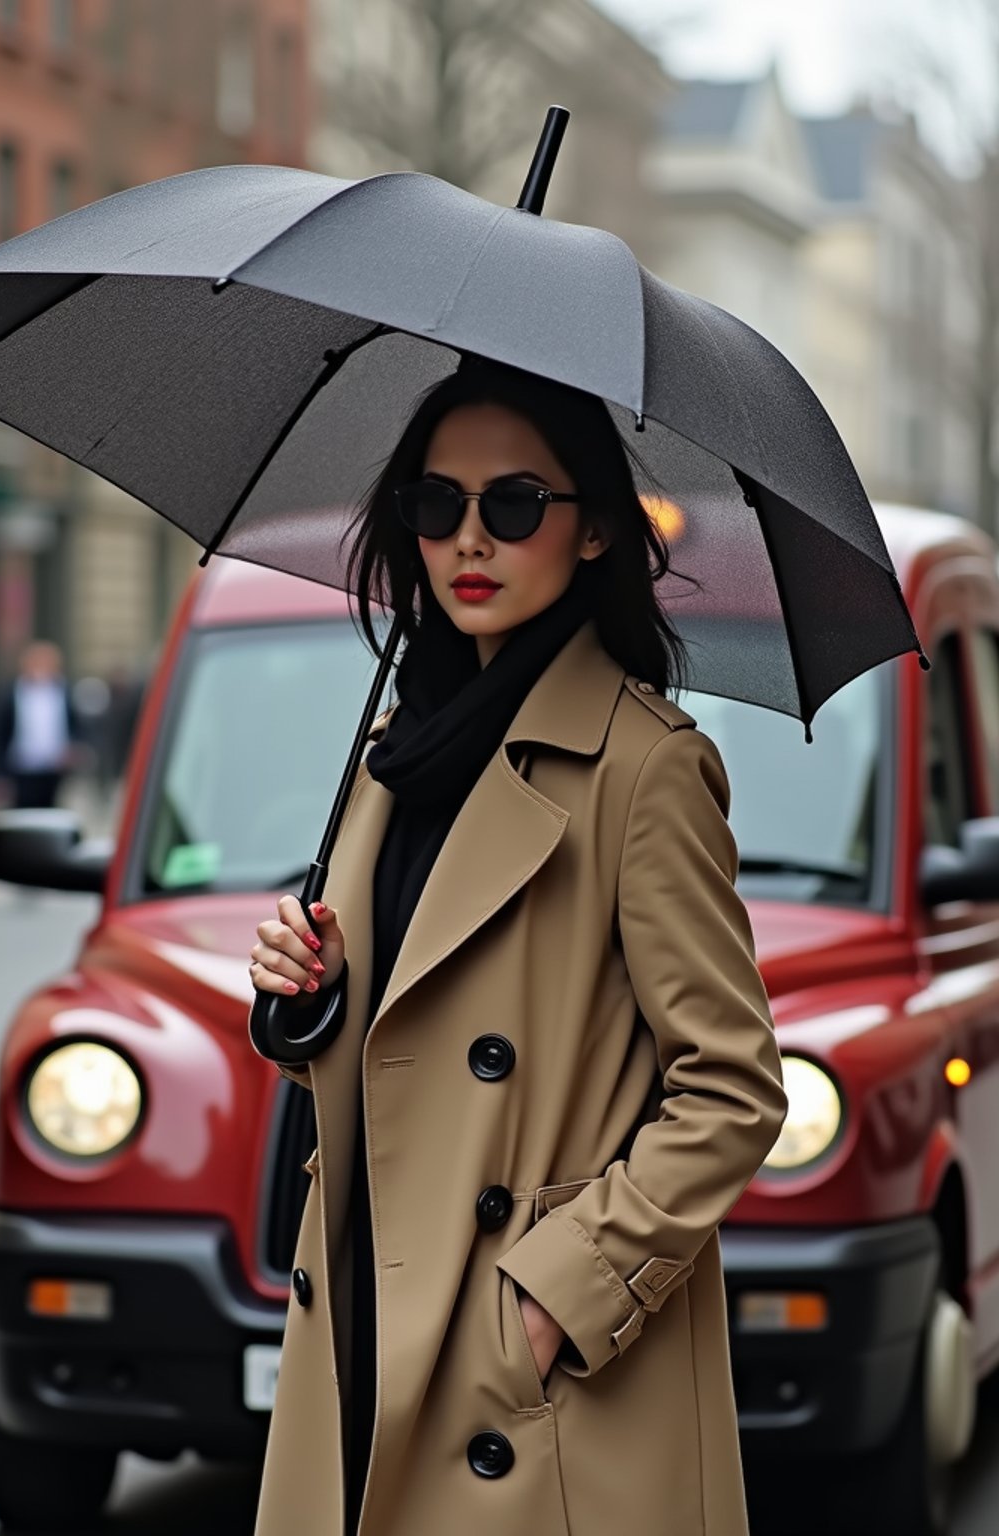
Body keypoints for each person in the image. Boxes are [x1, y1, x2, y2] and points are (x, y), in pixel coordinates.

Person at [248, 361, 787, 1536]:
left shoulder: (645, 769)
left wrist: (557, 1297)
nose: (468, 541)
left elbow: (733, 1089)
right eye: (435, 506)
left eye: (513, 504)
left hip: (526, 1378)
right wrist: (308, 999)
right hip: (367, 1310)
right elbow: (400, 1071)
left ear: (592, 528)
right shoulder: (396, 753)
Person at [0, 640, 80, 809]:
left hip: (54, 767)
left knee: (51, 811)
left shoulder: (64, 691)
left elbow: (77, 726)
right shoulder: (9, 694)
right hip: (20, 768)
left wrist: (74, 749)